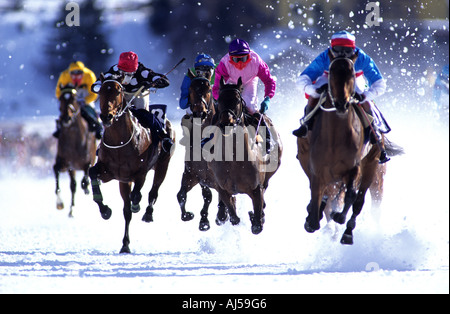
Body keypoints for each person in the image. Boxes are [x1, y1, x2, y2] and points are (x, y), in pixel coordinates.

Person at [292, 30, 390, 163]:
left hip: (354, 79)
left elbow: (379, 83)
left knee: (366, 101)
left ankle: (374, 131)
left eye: (347, 50)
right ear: (332, 49)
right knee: (314, 97)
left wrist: (366, 95)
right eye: (338, 50)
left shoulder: (361, 57)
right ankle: (306, 125)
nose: (342, 54)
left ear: (353, 50)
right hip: (330, 78)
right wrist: (314, 90)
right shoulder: (324, 57)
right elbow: (303, 79)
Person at [91, 51, 173, 152]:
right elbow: (95, 85)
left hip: (138, 94)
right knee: (110, 116)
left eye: (130, 73)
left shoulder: (142, 71)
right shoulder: (114, 70)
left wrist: (153, 83)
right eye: (123, 73)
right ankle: (103, 144)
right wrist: (100, 87)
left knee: (142, 113)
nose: (126, 77)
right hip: (121, 95)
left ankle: (163, 136)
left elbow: (164, 81)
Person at [212, 38, 276, 153]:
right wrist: (219, 101)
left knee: (250, 106)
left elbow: (269, 81)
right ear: (230, 58)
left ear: (249, 55)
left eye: (244, 58)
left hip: (250, 82)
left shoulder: (257, 61)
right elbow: (216, 88)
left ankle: (266, 139)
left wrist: (267, 97)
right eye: (236, 59)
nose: (241, 63)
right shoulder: (224, 64)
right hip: (232, 83)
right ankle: (210, 137)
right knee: (226, 107)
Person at [54, 61, 103, 139]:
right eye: (73, 75)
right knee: (64, 110)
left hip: (85, 96)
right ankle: (59, 127)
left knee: (89, 111)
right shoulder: (64, 75)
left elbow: (94, 93)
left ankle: (97, 126)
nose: (76, 77)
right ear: (69, 74)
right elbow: (58, 92)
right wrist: (65, 101)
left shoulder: (89, 75)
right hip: (70, 96)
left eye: (79, 75)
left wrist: (85, 101)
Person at [179, 53, 216, 145]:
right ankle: (188, 136)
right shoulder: (189, 76)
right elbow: (182, 103)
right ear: (195, 71)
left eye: (207, 71)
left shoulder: (219, 72)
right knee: (188, 114)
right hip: (196, 102)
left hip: (213, 101)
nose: (204, 74)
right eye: (200, 71)